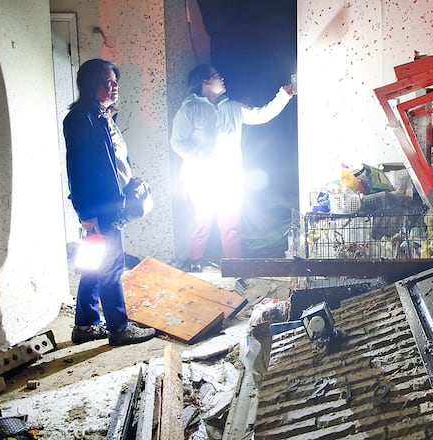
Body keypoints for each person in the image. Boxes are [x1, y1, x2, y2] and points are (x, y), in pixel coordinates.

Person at [63, 58, 157, 346]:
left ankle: (85, 325)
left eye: (115, 80)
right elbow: (77, 169)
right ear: (91, 84)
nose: (114, 85)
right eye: (107, 81)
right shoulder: (81, 119)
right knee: (112, 265)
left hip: (109, 203)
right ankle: (119, 328)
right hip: (99, 206)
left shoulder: (103, 116)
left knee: (95, 263)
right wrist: (86, 212)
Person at [170, 63, 294, 271]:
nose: (222, 78)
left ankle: (236, 266)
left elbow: (261, 114)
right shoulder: (189, 109)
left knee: (231, 225)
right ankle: (194, 263)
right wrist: (203, 156)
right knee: (200, 223)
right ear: (205, 82)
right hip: (200, 178)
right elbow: (177, 142)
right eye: (217, 76)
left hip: (229, 177)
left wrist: (284, 94)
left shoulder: (233, 107)